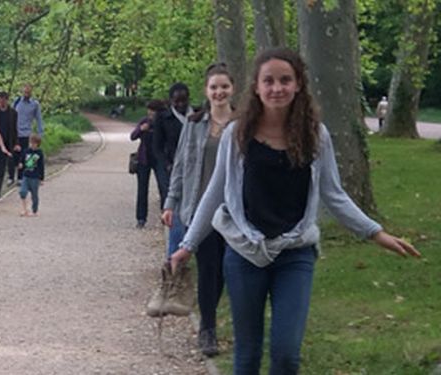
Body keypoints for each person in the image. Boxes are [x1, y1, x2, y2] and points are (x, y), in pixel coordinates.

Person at [168, 48, 420, 374]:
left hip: (295, 254)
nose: (277, 88)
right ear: (256, 88)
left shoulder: (316, 136)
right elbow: (215, 193)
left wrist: (375, 232)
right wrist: (187, 245)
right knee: (247, 355)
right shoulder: (236, 134)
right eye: (268, 81)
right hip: (244, 253)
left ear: (298, 84)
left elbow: (334, 194)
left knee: (286, 354)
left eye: (285, 80)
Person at [160, 62, 235, 357]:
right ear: (206, 91)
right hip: (200, 211)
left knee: (226, 271)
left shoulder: (243, 123)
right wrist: (170, 202)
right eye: (214, 87)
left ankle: (215, 319)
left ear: (233, 89)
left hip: (234, 212)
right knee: (208, 270)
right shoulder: (193, 124)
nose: (219, 92)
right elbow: (180, 165)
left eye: (224, 87)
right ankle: (208, 328)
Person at [130, 100, 167, 228]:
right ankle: (141, 218)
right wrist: (141, 129)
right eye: (149, 110)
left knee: (164, 188)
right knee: (142, 189)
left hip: (159, 160)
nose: (150, 113)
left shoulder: (163, 123)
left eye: (153, 110)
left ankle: (165, 215)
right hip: (144, 159)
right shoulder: (144, 121)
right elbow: (133, 136)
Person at [152, 82, 193, 192]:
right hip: (171, 165)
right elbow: (157, 146)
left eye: (184, 100)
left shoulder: (197, 117)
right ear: (170, 101)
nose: (180, 104)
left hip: (193, 166)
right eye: (176, 101)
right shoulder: (162, 118)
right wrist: (167, 164)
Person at [8, 84, 45, 186]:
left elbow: (39, 119)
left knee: (25, 156)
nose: (26, 94)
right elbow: (10, 116)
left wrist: (40, 133)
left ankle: (23, 177)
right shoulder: (16, 102)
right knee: (12, 156)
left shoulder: (34, 104)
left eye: (28, 92)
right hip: (15, 133)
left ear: (31, 92)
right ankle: (11, 177)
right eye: (25, 92)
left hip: (26, 133)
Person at [19, 134, 45, 216]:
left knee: (34, 195)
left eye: (34, 143)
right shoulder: (26, 151)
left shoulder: (39, 153)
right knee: (22, 192)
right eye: (31, 143)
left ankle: (35, 210)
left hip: (35, 177)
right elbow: (22, 159)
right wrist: (20, 164)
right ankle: (24, 209)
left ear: (37, 144)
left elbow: (41, 166)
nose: (32, 145)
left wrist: (41, 178)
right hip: (26, 175)